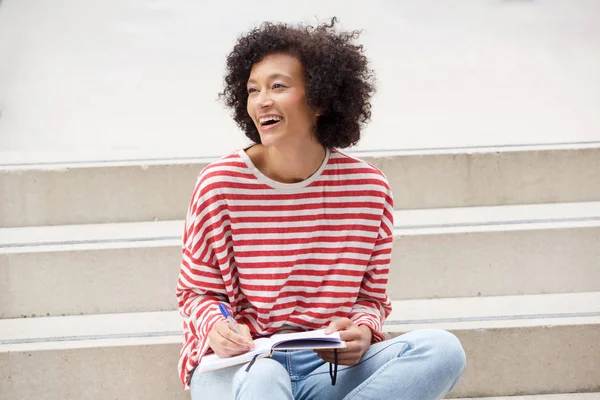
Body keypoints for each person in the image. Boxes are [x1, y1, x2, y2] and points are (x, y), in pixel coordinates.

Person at [176, 17, 466, 400]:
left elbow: (371, 300)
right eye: (252, 90)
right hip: (240, 367)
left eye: (278, 86)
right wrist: (216, 327)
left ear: (321, 99)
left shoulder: (368, 189)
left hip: (328, 371)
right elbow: (196, 292)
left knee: (441, 350)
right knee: (264, 381)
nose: (261, 100)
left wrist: (361, 332)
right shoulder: (220, 184)